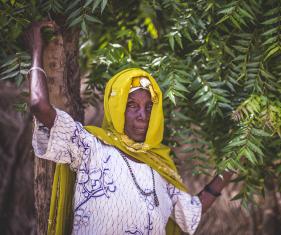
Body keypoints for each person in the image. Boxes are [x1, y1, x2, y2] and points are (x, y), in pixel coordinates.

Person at [26, 20, 233, 235]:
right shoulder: (89, 147)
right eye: (132, 105)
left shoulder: (160, 168)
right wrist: (37, 49)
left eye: (149, 107)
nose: (143, 115)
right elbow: (39, 105)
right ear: (116, 109)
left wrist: (232, 165)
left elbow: (191, 215)